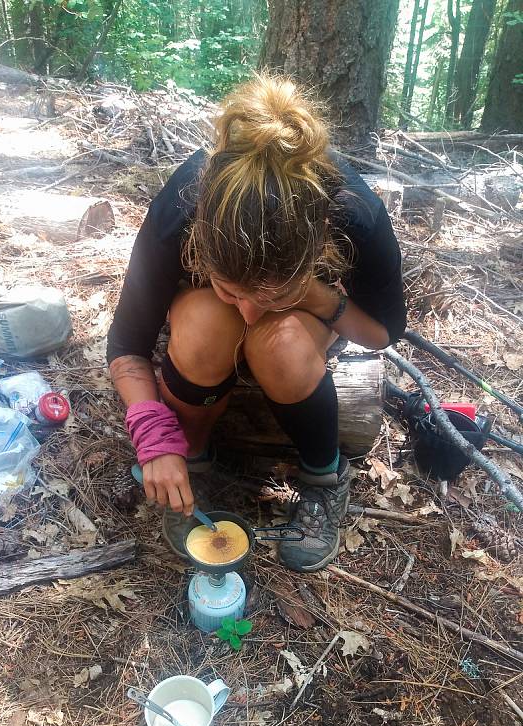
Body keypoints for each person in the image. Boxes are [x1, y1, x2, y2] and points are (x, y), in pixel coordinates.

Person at [107, 72, 406, 573]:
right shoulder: (181, 207)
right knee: (210, 322)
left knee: (277, 340)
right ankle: (193, 457)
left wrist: (310, 297)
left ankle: (324, 478)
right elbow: (126, 345)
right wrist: (154, 437)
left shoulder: (355, 213)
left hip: (308, 322)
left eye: (271, 294)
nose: (247, 314)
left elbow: (382, 333)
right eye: (231, 289)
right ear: (201, 243)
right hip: (199, 330)